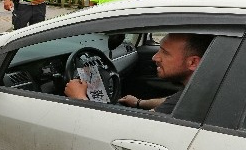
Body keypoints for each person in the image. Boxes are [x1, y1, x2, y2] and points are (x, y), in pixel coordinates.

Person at [65, 33, 213, 114]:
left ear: (193, 62)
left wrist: (79, 98)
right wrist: (138, 103)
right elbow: (172, 102)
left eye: (165, 53)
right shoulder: (202, 88)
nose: (155, 57)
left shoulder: (197, 100)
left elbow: (126, 131)